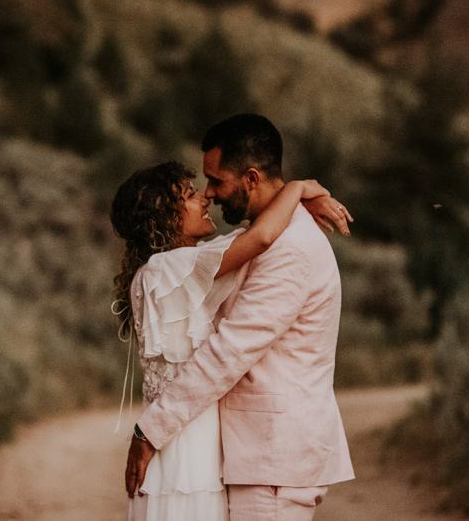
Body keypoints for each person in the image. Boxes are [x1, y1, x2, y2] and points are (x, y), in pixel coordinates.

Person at [117, 113, 356, 520]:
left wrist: (150, 429)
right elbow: (248, 242)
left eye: (215, 181)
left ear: (249, 178)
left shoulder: (289, 248)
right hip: (251, 458)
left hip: (273, 459)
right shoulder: (259, 239)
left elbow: (229, 351)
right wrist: (298, 190)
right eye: (200, 187)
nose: (210, 194)